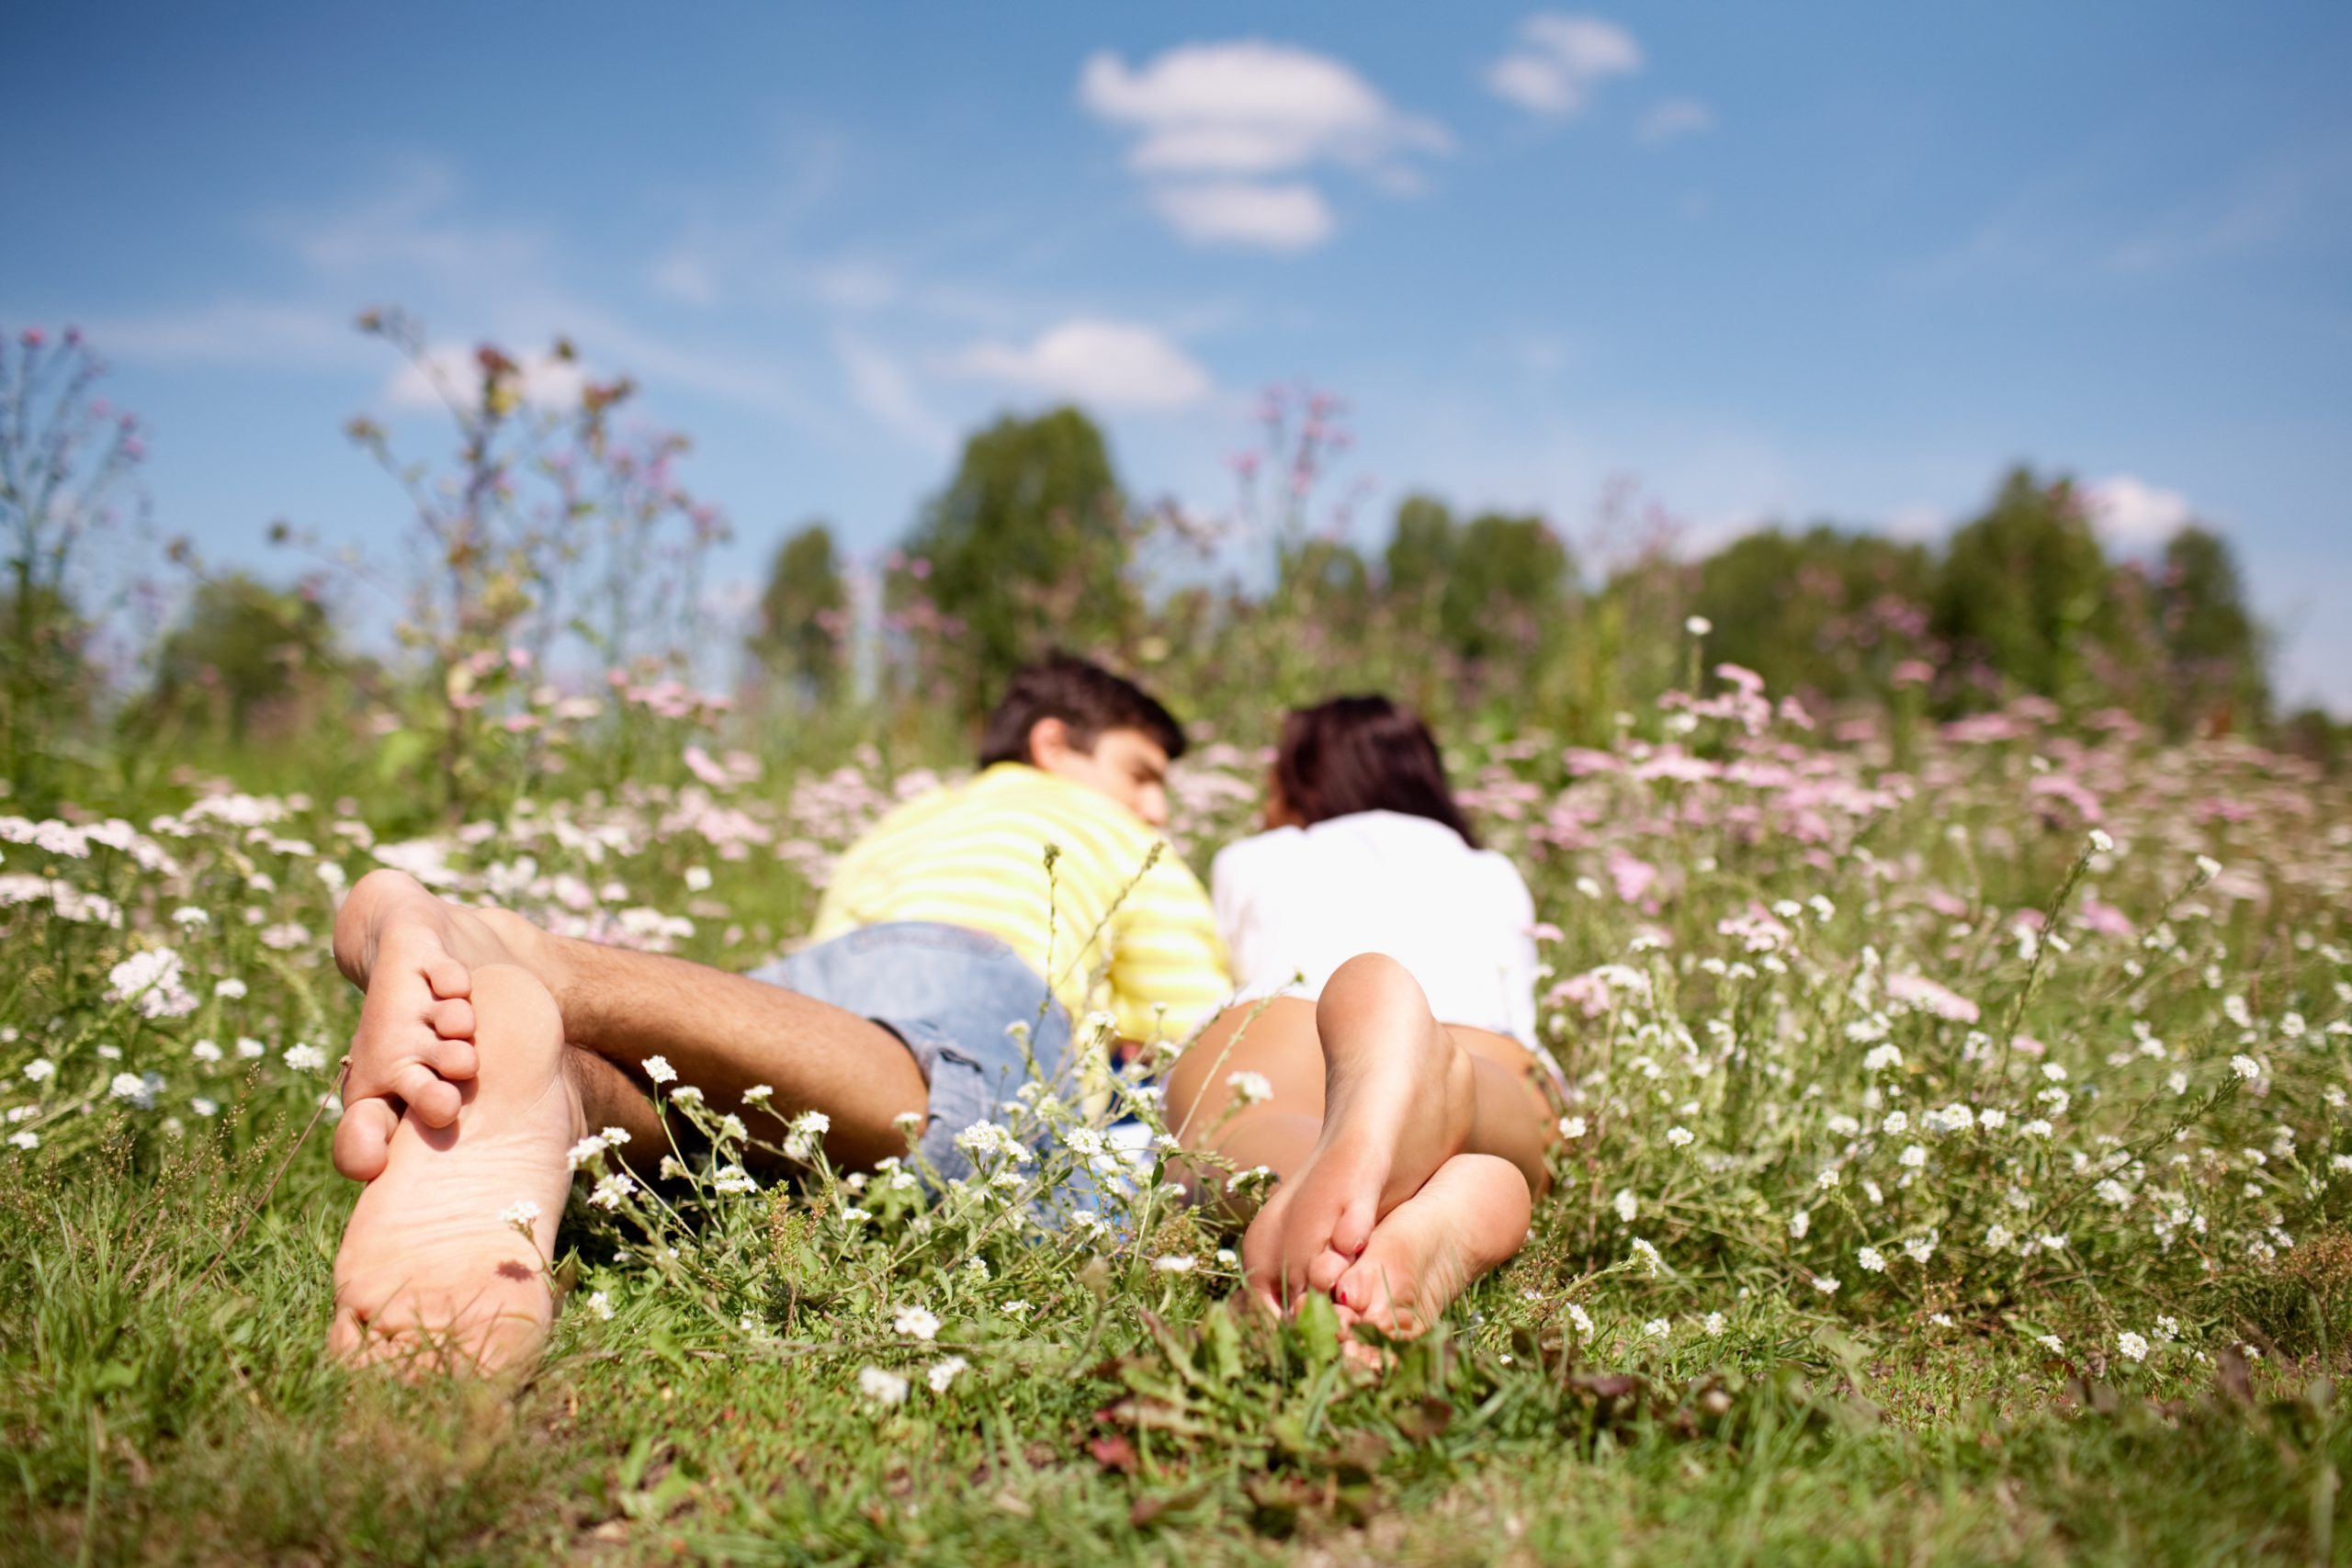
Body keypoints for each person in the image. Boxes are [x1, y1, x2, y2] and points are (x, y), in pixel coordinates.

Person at [327, 654, 1231, 1372]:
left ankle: (565, 1090)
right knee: (937, 1105)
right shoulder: (1118, 831)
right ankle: (539, 959)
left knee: (721, 1129)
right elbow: (1182, 1023)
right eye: (1142, 772)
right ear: (1053, 745)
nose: (1155, 803)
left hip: (791, 1002)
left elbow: (843, 928)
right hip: (975, 973)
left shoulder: (913, 817)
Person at [1166, 695, 1560, 1338]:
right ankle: (1458, 1095)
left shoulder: (1258, 857)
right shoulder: (1490, 871)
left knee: (1251, 1127)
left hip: (1289, 1010)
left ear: (1298, 786)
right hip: (1468, 1020)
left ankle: (1302, 1195)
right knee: (1505, 1104)